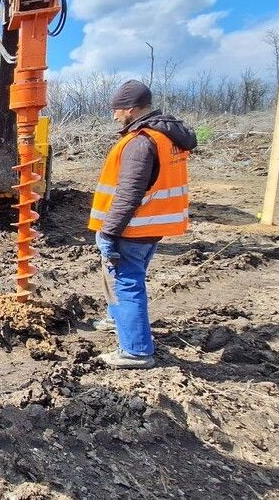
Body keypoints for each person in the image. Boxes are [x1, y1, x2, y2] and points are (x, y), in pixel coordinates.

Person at [88, 79, 196, 369]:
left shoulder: (141, 142)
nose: (114, 116)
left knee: (126, 283)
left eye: (117, 110)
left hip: (132, 228)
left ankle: (135, 351)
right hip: (150, 226)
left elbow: (128, 194)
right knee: (120, 277)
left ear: (132, 109)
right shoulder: (167, 138)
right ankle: (117, 320)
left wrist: (108, 232)